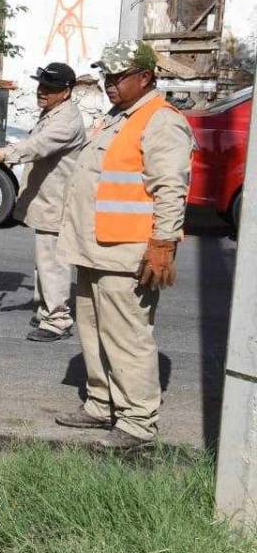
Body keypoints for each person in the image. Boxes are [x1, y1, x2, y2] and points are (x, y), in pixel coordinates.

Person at [53, 41, 193, 450]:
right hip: (95, 248)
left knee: (128, 338)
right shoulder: (118, 118)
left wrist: (162, 245)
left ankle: (137, 422)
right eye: (106, 76)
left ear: (145, 78)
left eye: (117, 76)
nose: (108, 83)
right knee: (93, 331)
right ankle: (101, 403)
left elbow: (170, 189)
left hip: (127, 253)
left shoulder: (161, 121)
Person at [0, 62, 86, 342]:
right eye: (41, 86)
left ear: (66, 92)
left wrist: (2, 154)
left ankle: (58, 319)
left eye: (50, 88)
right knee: (44, 260)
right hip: (48, 200)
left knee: (52, 261)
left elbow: (37, 146)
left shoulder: (66, 120)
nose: (42, 92)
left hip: (58, 203)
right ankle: (45, 310)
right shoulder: (53, 112)